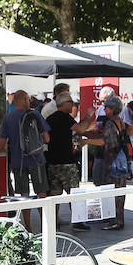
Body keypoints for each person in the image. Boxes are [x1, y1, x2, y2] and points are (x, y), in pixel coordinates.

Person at [82, 95, 129, 230]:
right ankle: (119, 220)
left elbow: (104, 141)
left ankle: (114, 221)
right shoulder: (120, 121)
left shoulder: (110, 123)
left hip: (112, 161)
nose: (105, 109)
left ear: (113, 108)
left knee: (112, 191)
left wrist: (87, 141)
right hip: (121, 161)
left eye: (107, 107)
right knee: (120, 192)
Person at [44, 96, 88, 230]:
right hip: (67, 162)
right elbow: (81, 128)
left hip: (52, 161)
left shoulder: (50, 118)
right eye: (71, 102)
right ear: (64, 104)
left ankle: (53, 221)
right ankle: (78, 221)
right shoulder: (65, 117)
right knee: (74, 193)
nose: (73, 105)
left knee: (55, 193)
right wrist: (88, 115)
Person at [0, 89, 48, 197]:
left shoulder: (7, 118)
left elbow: (1, 144)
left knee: (23, 195)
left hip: (18, 160)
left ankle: (26, 215)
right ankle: (43, 214)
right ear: (25, 100)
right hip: (37, 158)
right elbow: (47, 138)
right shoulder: (35, 114)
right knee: (41, 192)